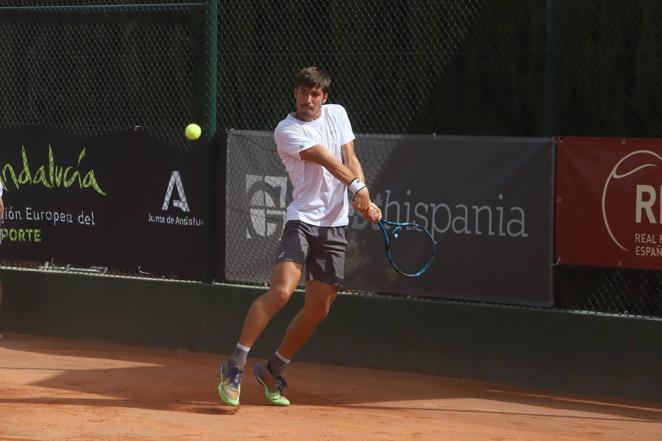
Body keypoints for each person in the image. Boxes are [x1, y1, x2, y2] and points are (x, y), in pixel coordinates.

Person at [217, 66, 382, 407]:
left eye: (315, 94)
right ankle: (234, 363)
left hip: (334, 225)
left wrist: (362, 196)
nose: (308, 99)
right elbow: (327, 160)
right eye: (303, 92)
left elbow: (350, 158)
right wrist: (358, 187)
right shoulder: (287, 130)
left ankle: (272, 369)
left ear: (325, 97)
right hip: (303, 220)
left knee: (319, 308)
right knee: (281, 292)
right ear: (295, 93)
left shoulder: (338, 114)